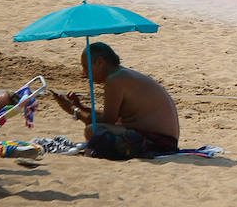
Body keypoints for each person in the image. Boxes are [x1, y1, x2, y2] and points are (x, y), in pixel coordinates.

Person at [50, 42, 180, 160]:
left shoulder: (115, 80)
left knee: (92, 130)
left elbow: (107, 121)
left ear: (100, 62)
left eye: (86, 67)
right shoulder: (120, 74)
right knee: (98, 128)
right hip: (164, 139)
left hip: (159, 142)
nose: (84, 73)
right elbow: (112, 116)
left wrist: (73, 110)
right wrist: (82, 107)